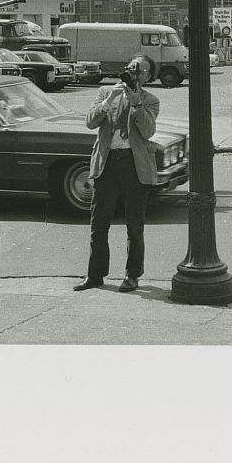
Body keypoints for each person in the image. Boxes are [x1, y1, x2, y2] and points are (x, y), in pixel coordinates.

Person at [74, 54, 160, 293]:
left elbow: (148, 131)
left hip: (134, 165)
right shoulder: (105, 93)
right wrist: (108, 100)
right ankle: (95, 275)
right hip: (107, 162)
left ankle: (132, 275)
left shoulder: (150, 100)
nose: (134, 74)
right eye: (132, 68)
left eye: (140, 71)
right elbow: (90, 123)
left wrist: (136, 104)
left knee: (134, 224)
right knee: (98, 223)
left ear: (148, 77)